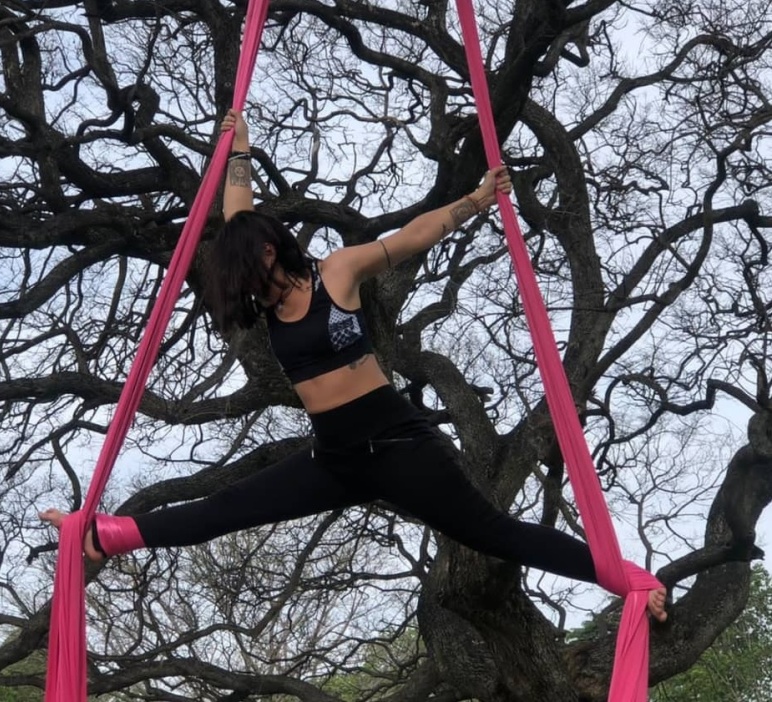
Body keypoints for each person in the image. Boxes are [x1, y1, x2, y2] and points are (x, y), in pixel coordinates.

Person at [41, 110, 667, 622]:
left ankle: (631, 580)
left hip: (400, 447)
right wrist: (238, 144)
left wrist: (476, 200)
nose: (246, 294)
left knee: (495, 534)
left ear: (267, 252)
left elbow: (414, 237)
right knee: (225, 508)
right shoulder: (253, 264)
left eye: (247, 277)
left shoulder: (335, 272)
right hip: (334, 458)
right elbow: (237, 210)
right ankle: (108, 535)